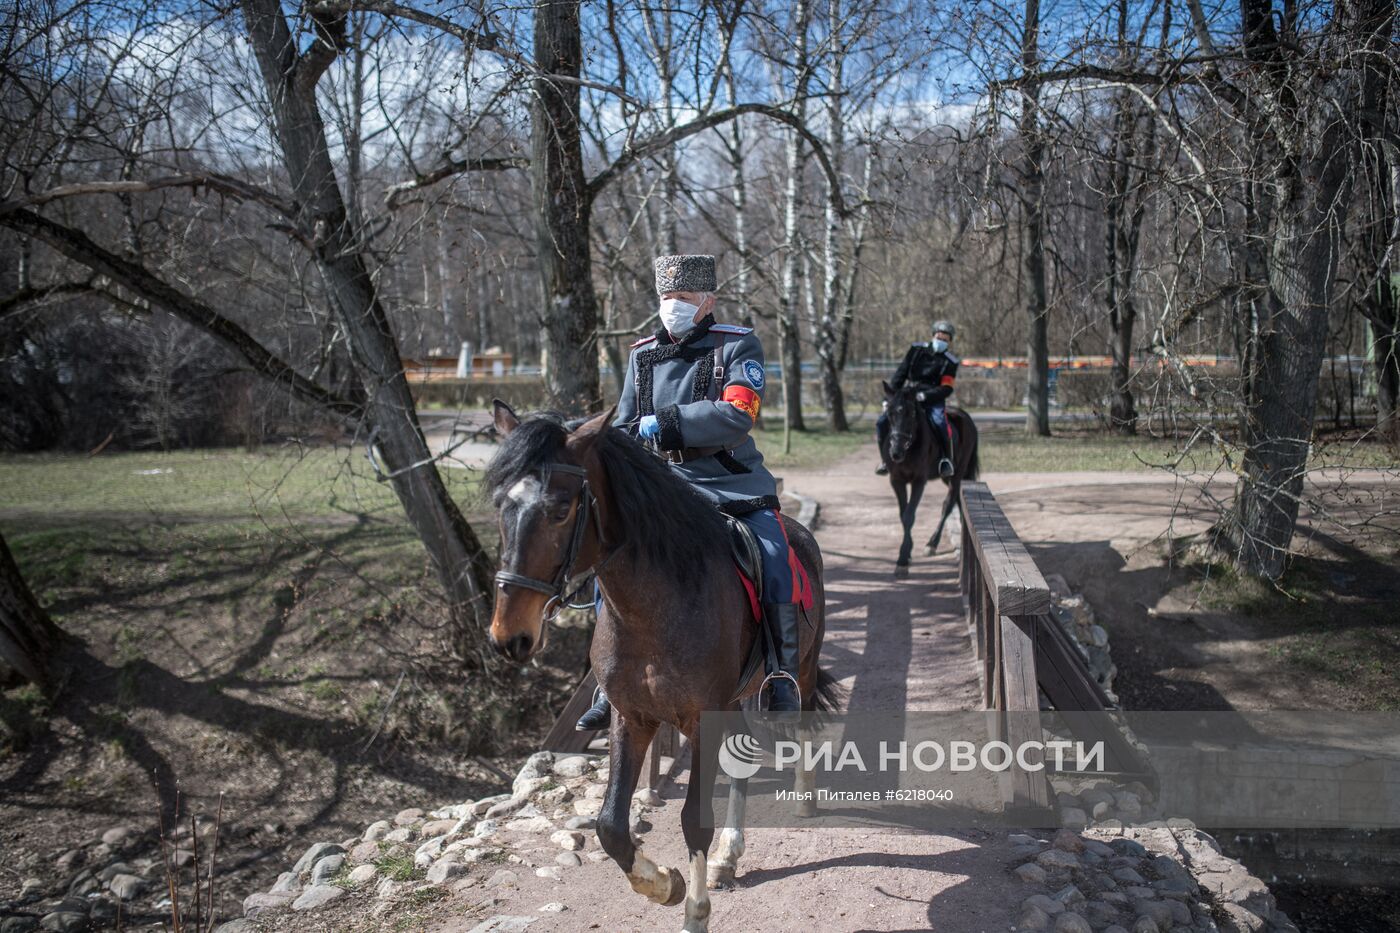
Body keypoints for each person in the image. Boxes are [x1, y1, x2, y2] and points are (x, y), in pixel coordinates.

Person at [576, 254, 802, 730]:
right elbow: (622, 421)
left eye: (682, 298)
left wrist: (668, 422)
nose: (672, 306)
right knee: (610, 558)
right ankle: (605, 682)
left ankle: (781, 673)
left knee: (775, 553)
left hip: (728, 480)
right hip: (661, 490)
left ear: (707, 301)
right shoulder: (641, 354)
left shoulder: (737, 346)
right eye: (665, 297)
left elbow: (739, 414)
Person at [875, 320, 959, 478]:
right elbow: (901, 373)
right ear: (933, 335)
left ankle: (946, 460)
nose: (941, 341)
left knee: (940, 422)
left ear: (949, 342)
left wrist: (926, 396)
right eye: (939, 337)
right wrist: (889, 398)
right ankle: (885, 460)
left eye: (945, 340)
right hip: (908, 394)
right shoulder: (916, 350)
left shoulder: (950, 362)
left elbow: (946, 388)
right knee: (881, 422)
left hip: (932, 397)